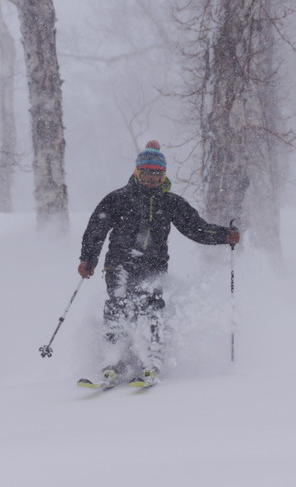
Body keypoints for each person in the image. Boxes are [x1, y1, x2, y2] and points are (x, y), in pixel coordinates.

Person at [77, 140, 240, 387]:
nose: (151, 180)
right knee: (117, 303)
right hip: (119, 262)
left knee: (150, 308)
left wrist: (223, 235)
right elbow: (96, 229)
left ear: (163, 176)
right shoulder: (118, 199)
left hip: (153, 266)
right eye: (146, 174)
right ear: (136, 172)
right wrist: (88, 258)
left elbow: (195, 228)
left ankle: (151, 359)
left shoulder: (170, 202)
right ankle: (112, 359)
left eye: (156, 176)